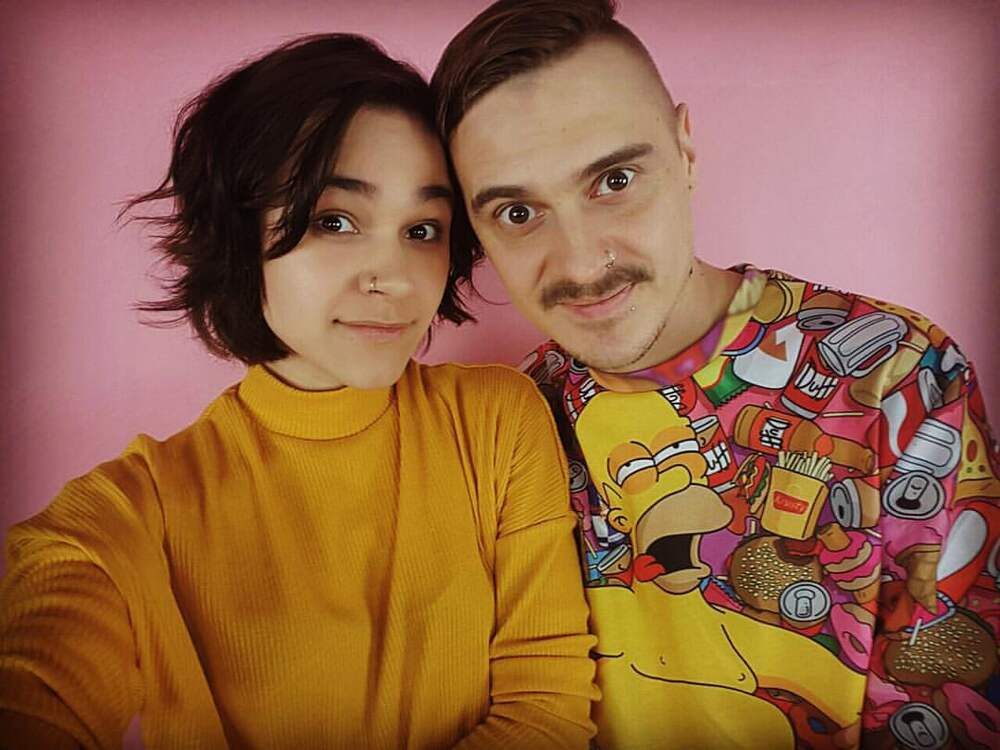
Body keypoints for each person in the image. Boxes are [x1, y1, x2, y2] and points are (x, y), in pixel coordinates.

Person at [0, 34, 598, 749]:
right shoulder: (132, 513)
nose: (396, 277)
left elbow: (547, 712)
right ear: (236, 232)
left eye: (422, 229)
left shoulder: (497, 420)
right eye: (334, 220)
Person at [432, 1, 1000, 747]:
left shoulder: (897, 374)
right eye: (516, 213)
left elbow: (950, 702)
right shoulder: (509, 425)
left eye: (614, 179)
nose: (581, 261)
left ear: (686, 151)